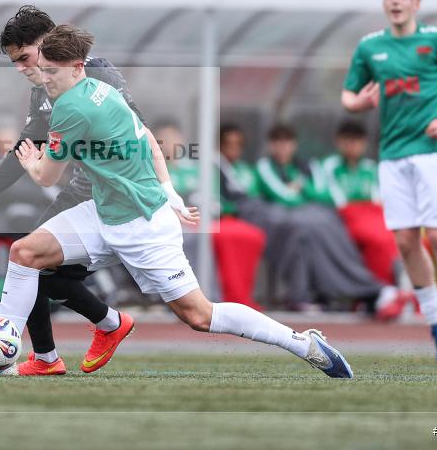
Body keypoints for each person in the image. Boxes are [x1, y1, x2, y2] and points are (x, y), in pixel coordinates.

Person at [0, 24, 354, 379]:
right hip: (104, 212)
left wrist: (31, 161)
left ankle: (302, 342)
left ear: (77, 67)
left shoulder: (71, 109)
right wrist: (170, 191)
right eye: (42, 68)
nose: (44, 78)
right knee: (25, 253)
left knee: (199, 315)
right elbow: (150, 140)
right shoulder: (103, 91)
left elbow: (47, 176)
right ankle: (15, 346)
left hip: (142, 225)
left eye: (51, 71)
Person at [0, 6, 139, 376]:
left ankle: (102, 327)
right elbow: (24, 150)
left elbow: (137, 129)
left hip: (117, 196)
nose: (22, 68)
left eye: (25, 57)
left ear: (47, 43)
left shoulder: (98, 72)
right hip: (80, 193)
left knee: (195, 311)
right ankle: (51, 354)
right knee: (28, 259)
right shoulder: (42, 93)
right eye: (15, 62)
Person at [342, 0, 437, 361]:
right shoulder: (371, 48)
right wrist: (361, 102)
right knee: (405, 241)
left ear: (416, 2)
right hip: (393, 155)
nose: (396, 2)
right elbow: (348, 96)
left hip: (434, 154)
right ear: (383, 3)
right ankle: (436, 322)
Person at [221, 123, 397, 314]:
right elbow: (286, 197)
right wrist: (303, 194)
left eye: (287, 143)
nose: (283, 148)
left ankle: (365, 291)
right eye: (278, 143)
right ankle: (363, 290)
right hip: (284, 216)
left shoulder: (307, 165)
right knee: (306, 227)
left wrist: (302, 187)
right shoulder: (264, 166)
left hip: (314, 214)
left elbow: (323, 196)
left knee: (325, 223)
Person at [153, 119, 265, 309]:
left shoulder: (197, 168)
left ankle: (234, 297)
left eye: (174, 137)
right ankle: (202, 298)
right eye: (164, 139)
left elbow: (213, 197)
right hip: (172, 221)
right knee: (194, 238)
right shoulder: (151, 170)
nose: (170, 143)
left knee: (246, 235)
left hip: (203, 218)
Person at [322, 120, 403, 288]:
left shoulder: (370, 168)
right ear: (338, 142)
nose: (351, 145)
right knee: (379, 240)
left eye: (356, 141)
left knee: (394, 239)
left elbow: (378, 198)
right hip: (345, 216)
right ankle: (382, 289)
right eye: (347, 140)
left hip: (372, 214)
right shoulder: (329, 166)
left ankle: (396, 289)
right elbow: (336, 198)